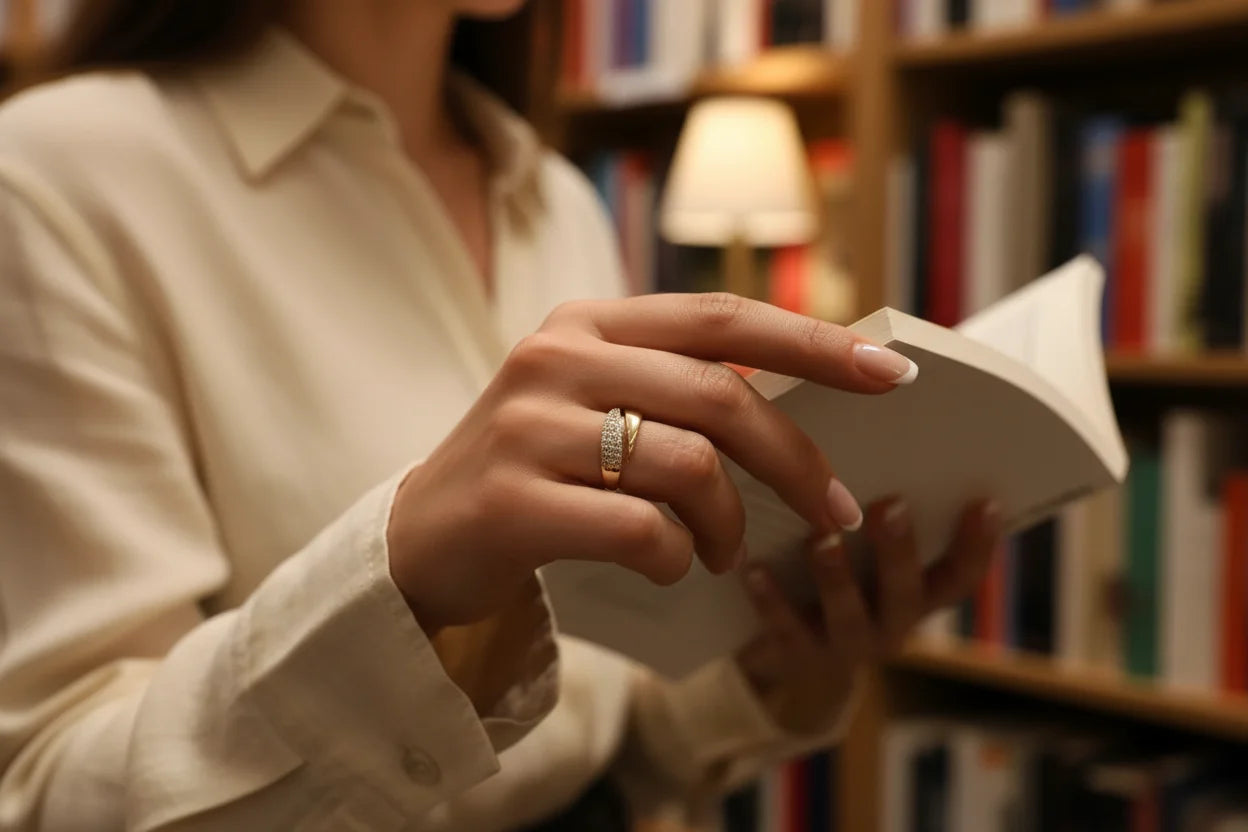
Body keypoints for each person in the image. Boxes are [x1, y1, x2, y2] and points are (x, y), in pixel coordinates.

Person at [0, 1, 1000, 830]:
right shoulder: (54, 179)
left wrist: (777, 656)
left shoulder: (558, 200)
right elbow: (49, 791)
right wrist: (400, 574)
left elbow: (598, 726)